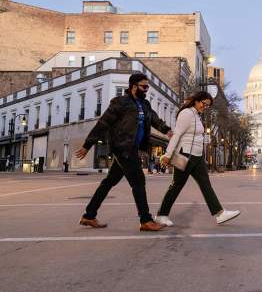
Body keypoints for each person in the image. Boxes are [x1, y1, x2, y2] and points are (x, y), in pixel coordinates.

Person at [75, 73, 173, 232]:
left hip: (132, 148)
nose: (146, 89)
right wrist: (88, 145)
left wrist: (167, 130)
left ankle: (89, 215)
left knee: (109, 182)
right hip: (123, 148)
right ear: (134, 86)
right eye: (144, 86)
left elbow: (155, 119)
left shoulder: (145, 104)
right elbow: (103, 123)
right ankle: (145, 220)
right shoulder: (120, 102)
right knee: (139, 182)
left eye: (147, 86)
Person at [156, 92, 240, 226]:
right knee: (177, 185)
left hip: (197, 155)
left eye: (207, 105)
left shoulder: (196, 115)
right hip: (185, 154)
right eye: (203, 103)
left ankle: (219, 214)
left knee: (205, 184)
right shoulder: (187, 114)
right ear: (196, 101)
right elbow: (177, 135)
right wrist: (167, 154)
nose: (205, 107)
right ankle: (161, 215)